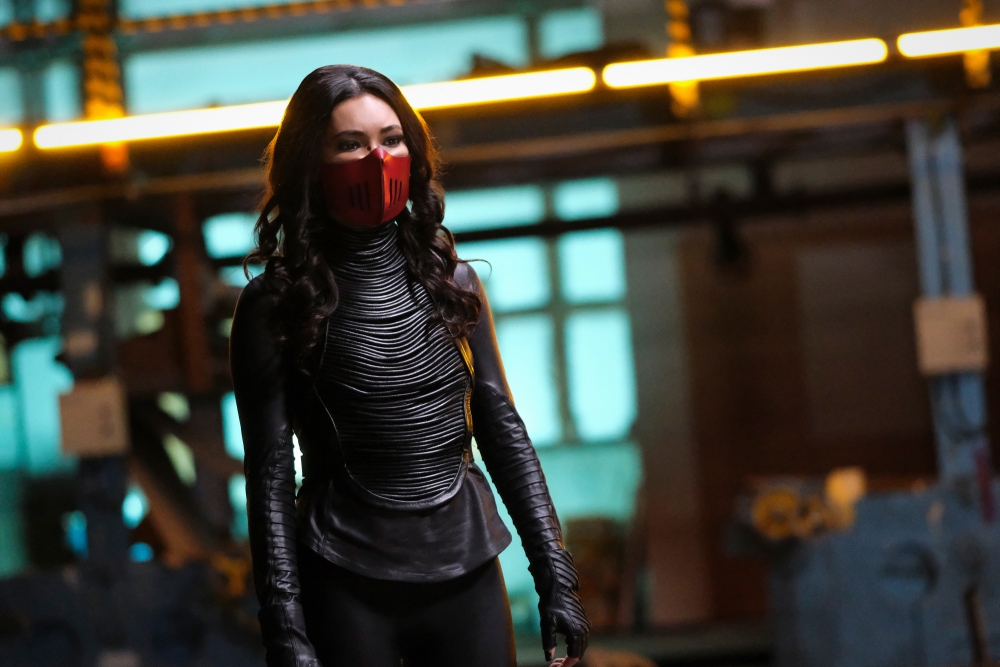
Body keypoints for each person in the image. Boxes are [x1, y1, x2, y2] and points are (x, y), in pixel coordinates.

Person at [229, 64, 590, 667]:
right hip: (345, 577)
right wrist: (284, 624)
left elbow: (502, 429)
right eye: (350, 144)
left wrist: (557, 576)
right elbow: (269, 473)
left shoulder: (453, 282)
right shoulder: (275, 304)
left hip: (466, 566)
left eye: (391, 139)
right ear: (310, 165)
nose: (377, 160)